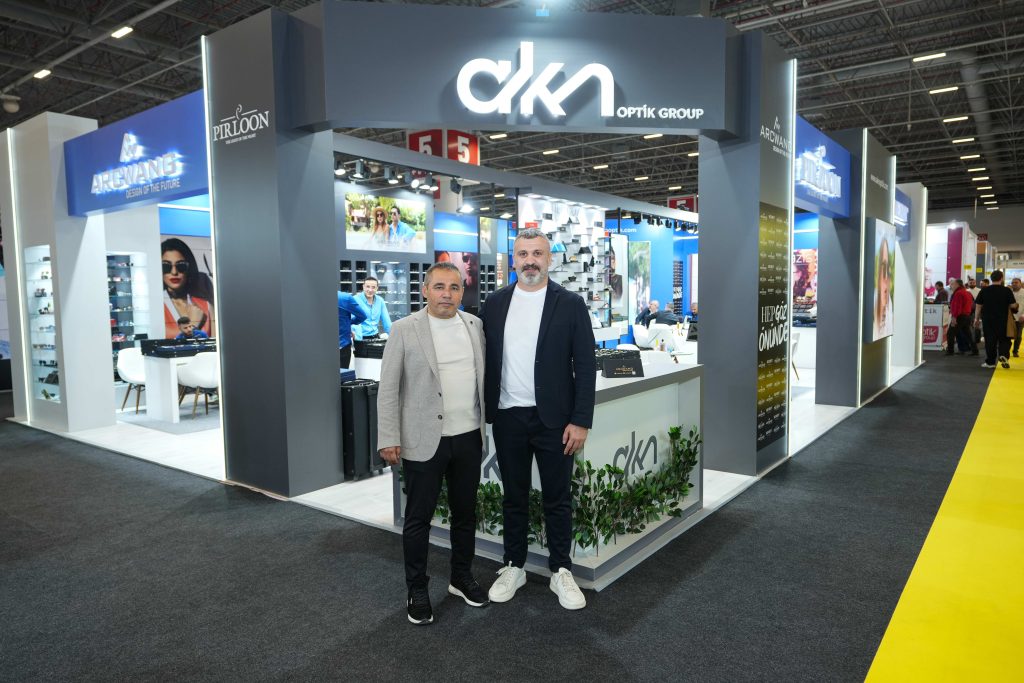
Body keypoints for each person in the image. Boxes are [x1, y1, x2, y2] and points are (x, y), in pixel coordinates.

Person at [481, 227, 595, 611]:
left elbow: (586, 366)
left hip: (555, 421)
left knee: (557, 499)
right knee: (513, 497)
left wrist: (581, 420)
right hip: (508, 417)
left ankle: (561, 570)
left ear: (549, 259)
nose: (530, 261)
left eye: (537, 254)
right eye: (523, 254)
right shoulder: (495, 303)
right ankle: (514, 565)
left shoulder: (571, 304)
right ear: (514, 259)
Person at [376, 262, 488, 625]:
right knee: (418, 519)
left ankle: (461, 577)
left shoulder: (474, 326)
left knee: (465, 514)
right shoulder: (404, 329)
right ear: (425, 291)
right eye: (439, 287)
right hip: (424, 440)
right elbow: (388, 389)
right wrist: (389, 436)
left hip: (468, 436)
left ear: (462, 292)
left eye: (454, 287)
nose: (446, 294)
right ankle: (417, 588)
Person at [162, 238, 214, 339]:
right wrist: (193, 325)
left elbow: (215, 344)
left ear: (189, 268)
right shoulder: (157, 307)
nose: (174, 272)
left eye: (181, 266)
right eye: (166, 266)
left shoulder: (206, 306)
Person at [974, 270, 1018, 369]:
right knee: (1004, 339)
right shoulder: (1007, 290)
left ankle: (990, 362)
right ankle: (1003, 355)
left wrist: (976, 319)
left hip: (988, 320)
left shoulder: (984, 290)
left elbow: (978, 306)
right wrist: (1016, 306)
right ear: (1001, 278)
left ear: (991, 279)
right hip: (1003, 319)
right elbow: (1012, 305)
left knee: (990, 340)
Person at [353, 276, 392, 341]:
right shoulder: (355, 299)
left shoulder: (380, 300)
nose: (370, 290)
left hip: (376, 337)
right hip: (360, 337)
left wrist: (392, 336)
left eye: (373, 287)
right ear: (363, 287)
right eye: (367, 287)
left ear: (377, 288)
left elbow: (386, 321)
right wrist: (358, 339)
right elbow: (353, 321)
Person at [337, 291, 368, 369]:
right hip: (342, 344)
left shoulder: (312, 298)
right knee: (342, 374)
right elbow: (362, 316)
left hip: (318, 345)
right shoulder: (345, 298)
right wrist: (347, 323)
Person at [947, 279, 977, 356]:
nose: (951, 286)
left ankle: (950, 351)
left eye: (952, 284)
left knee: (950, 333)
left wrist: (954, 317)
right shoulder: (967, 292)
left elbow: (957, 306)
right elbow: (972, 305)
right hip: (967, 316)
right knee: (968, 335)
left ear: (957, 285)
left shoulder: (958, 293)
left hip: (960, 316)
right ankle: (975, 350)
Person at [873, 238, 893, 339]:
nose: (887, 279)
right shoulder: (871, 303)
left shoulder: (889, 304)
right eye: (883, 268)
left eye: (888, 271)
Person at [1011, 277, 1024, 357]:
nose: (1014, 284)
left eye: (1016, 282)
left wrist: (1023, 315)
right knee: (1007, 335)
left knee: (1018, 336)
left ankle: (1015, 351)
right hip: (1009, 318)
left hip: (1020, 318)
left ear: (1020, 283)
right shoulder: (1009, 292)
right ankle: (1005, 350)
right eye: (1013, 283)